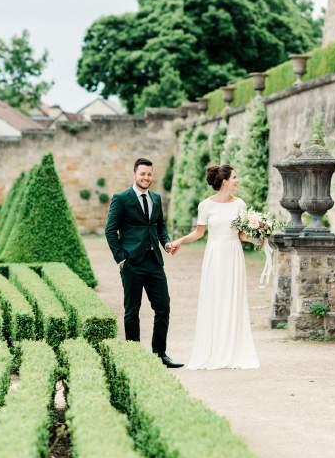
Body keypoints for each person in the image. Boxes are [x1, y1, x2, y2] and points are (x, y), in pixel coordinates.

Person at [170, 163, 259, 370]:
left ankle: (234, 350)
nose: (238, 180)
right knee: (215, 298)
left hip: (233, 254)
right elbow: (199, 233)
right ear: (225, 181)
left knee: (233, 298)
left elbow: (242, 235)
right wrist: (179, 241)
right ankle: (213, 349)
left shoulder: (240, 205)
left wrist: (260, 238)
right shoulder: (205, 206)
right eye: (235, 177)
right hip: (215, 255)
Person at [105, 157, 183, 368]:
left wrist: (166, 243)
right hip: (132, 263)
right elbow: (110, 230)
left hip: (154, 262)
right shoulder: (121, 198)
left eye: (149, 174)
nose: (146, 177)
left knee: (163, 308)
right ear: (135, 174)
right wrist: (120, 257)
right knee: (132, 310)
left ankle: (160, 354)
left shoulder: (156, 198)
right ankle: (134, 356)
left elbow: (160, 227)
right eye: (142, 174)